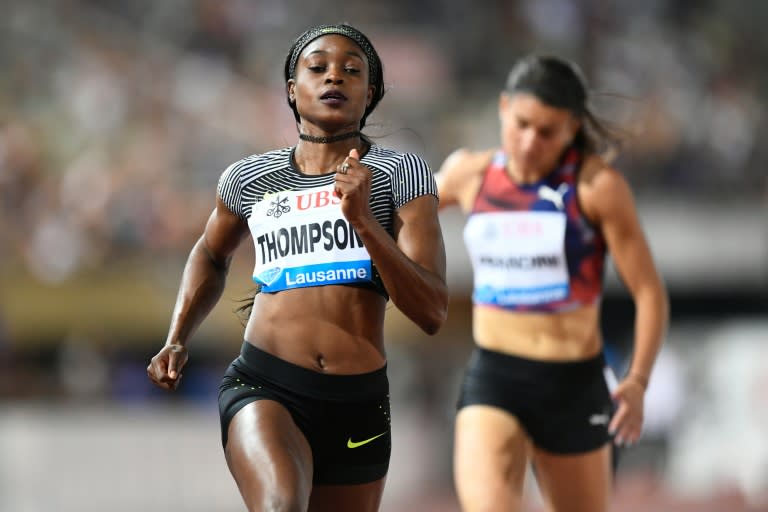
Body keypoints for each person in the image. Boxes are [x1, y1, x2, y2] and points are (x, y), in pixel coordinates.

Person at [147, 23, 448, 512]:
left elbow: (432, 311)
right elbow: (209, 252)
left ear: (369, 94)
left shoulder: (401, 174)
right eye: (318, 68)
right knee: (280, 506)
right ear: (292, 89)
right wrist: (178, 335)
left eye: (352, 71)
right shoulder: (249, 178)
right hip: (266, 383)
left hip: (358, 400)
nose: (335, 77)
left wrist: (365, 222)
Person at [436, 55, 669, 512]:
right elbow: (400, 206)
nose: (529, 142)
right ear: (503, 108)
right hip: (494, 377)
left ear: (572, 128)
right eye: (521, 123)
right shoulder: (471, 174)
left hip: (573, 384)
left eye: (547, 132)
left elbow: (649, 292)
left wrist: (638, 380)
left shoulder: (597, 187)